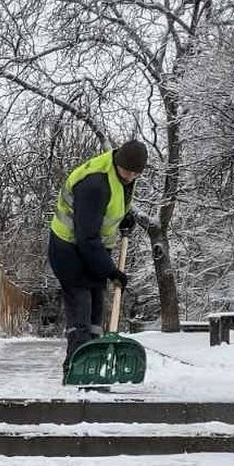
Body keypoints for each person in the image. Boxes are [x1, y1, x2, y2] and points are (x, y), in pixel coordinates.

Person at [48, 139, 146, 374]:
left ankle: (93, 366)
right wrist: (111, 271)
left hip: (92, 249)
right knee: (80, 309)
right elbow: (86, 236)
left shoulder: (119, 175)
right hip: (69, 250)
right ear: (118, 161)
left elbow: (106, 210)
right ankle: (75, 367)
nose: (130, 176)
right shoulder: (95, 184)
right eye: (128, 170)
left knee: (96, 309)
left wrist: (124, 215)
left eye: (136, 173)